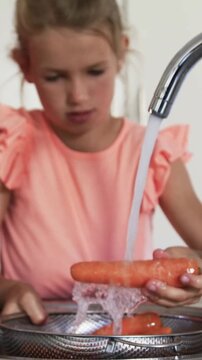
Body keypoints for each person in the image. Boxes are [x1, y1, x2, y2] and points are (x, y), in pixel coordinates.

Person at [0, 0, 202, 325]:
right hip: (33, 338)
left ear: (121, 52)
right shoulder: (12, 142)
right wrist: (7, 289)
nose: (78, 95)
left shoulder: (151, 153)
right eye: (55, 77)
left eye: (95, 71)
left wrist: (193, 273)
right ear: (24, 64)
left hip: (125, 337)